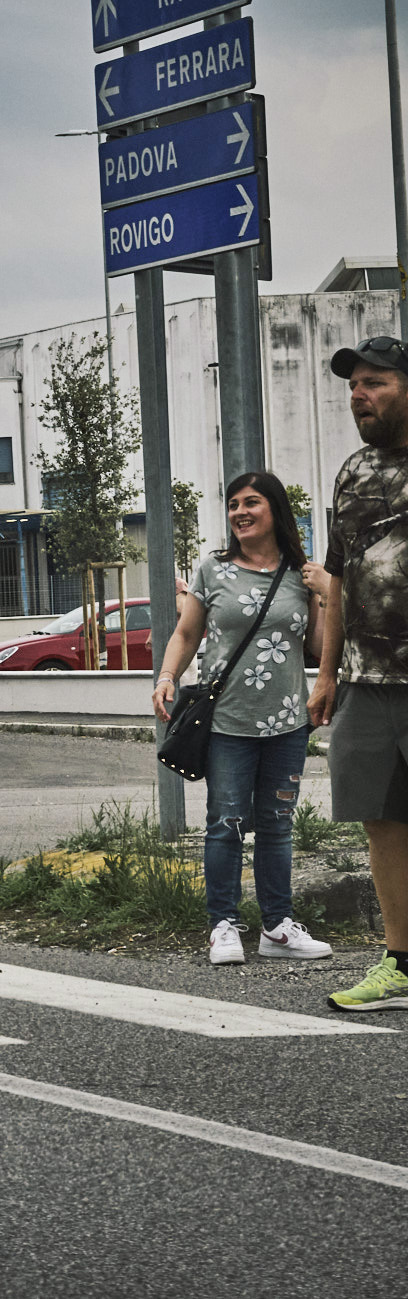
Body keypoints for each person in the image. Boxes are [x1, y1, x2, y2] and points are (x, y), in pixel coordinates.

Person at [154, 470, 333, 965]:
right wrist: (167, 676)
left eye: (252, 502)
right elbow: (186, 634)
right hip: (228, 722)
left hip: (288, 724)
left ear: (275, 509)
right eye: (233, 504)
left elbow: (316, 650)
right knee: (225, 822)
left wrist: (325, 594)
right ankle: (223, 926)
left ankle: (277, 928)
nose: (240, 512)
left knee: (276, 825)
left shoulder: (301, 573)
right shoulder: (213, 569)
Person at [312, 336, 408, 1010]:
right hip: (366, 680)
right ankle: (400, 963)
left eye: (373, 383)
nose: (358, 396)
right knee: (381, 821)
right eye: (353, 386)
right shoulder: (352, 474)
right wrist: (326, 674)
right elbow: (338, 580)